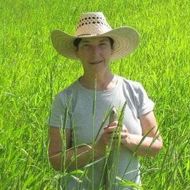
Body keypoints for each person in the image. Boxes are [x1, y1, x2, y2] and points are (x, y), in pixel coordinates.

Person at [48, 12, 163, 189]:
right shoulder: (65, 99)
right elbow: (56, 160)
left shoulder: (134, 90)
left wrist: (126, 139)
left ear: (111, 49)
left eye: (102, 44)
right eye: (87, 45)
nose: (95, 53)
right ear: (77, 51)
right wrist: (99, 147)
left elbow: (156, 145)